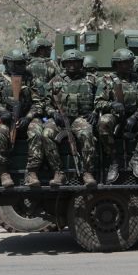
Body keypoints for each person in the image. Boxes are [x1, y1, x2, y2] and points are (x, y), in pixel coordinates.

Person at [0, 48, 46, 188]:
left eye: (21, 64)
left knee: (37, 131)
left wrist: (28, 117)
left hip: (27, 117)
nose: (18, 67)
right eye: (14, 64)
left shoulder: (32, 80)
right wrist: (2, 111)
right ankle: (4, 172)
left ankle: (32, 172)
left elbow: (40, 102)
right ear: (7, 63)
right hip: (7, 118)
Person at [42, 49, 98, 188]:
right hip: (60, 118)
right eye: (69, 62)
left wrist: (96, 112)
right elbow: (45, 102)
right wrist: (53, 113)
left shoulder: (91, 80)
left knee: (87, 133)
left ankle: (87, 172)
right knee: (46, 134)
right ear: (64, 64)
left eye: (75, 62)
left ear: (81, 63)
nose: (72, 65)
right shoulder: (55, 81)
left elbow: (102, 98)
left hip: (80, 118)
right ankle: (58, 172)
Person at [95, 48, 138, 184]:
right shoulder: (107, 80)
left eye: (131, 62)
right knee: (103, 122)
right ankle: (113, 161)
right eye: (126, 63)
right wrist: (112, 105)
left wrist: (136, 116)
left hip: (135, 117)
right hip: (116, 116)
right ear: (117, 64)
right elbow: (98, 102)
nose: (130, 65)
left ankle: (135, 159)